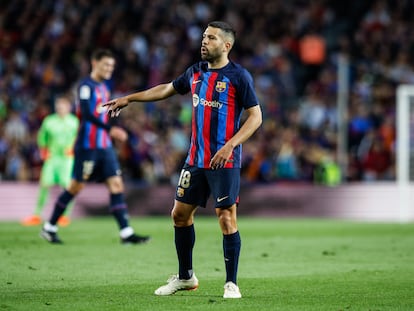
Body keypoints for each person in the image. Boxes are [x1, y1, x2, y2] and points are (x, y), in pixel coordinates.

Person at [103, 21, 262, 298]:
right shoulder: (196, 72)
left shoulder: (239, 76)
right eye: (203, 36)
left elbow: (256, 117)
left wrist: (230, 145)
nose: (204, 41)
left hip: (224, 161)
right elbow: (166, 89)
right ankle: (186, 277)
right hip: (195, 160)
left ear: (226, 46)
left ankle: (231, 283)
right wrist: (130, 98)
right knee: (179, 215)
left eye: (211, 38)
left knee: (226, 217)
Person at [40, 49, 150, 245]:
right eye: (106, 65)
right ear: (94, 63)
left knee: (116, 184)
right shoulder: (85, 85)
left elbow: (101, 115)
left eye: (112, 66)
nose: (109, 69)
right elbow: (86, 114)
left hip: (104, 146)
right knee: (75, 187)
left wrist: (113, 127)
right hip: (87, 146)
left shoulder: (104, 88)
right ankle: (50, 227)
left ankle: (126, 233)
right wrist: (110, 129)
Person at [21, 96, 79, 227]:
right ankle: (36, 215)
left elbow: (79, 138)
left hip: (67, 159)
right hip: (52, 158)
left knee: (68, 187)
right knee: (44, 184)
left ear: (68, 107)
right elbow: (42, 137)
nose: (60, 108)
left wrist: (74, 149)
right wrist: (43, 150)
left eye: (63, 106)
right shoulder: (49, 121)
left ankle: (65, 216)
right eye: (58, 106)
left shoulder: (74, 122)